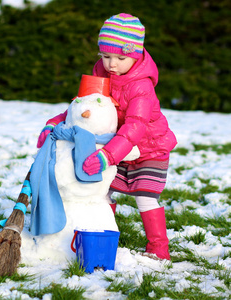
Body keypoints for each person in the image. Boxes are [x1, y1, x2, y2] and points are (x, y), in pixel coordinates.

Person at [37, 13, 177, 261]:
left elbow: (136, 125)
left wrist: (107, 156)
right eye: (106, 56)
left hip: (148, 148)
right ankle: (104, 233)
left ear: (134, 55)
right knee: (102, 192)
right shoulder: (101, 74)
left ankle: (158, 247)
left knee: (145, 196)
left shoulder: (141, 86)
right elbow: (84, 106)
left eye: (120, 57)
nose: (112, 63)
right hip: (115, 146)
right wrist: (54, 124)